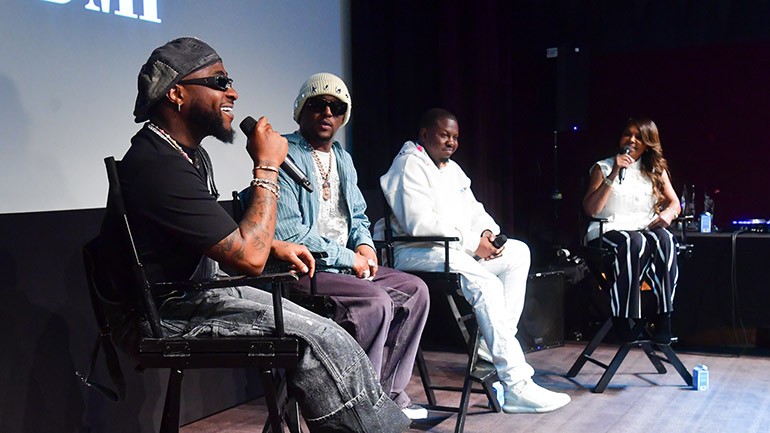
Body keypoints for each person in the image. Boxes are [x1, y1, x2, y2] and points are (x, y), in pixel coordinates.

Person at [119, 37, 409, 432]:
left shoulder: (185, 155)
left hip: (201, 290)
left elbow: (214, 236)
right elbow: (250, 260)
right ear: (176, 93)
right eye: (219, 81)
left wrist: (275, 244)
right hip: (171, 311)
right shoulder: (157, 165)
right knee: (322, 340)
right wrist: (268, 166)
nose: (233, 92)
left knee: (332, 335)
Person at [375, 108, 571, 414]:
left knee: (518, 253)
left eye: (455, 137)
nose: (451, 142)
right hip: (415, 252)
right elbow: (418, 224)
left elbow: (475, 208)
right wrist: (471, 243)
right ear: (425, 135)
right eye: (444, 135)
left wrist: (487, 233)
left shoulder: (450, 169)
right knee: (486, 283)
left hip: (451, 250)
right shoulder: (409, 164)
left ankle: (488, 347)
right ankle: (516, 384)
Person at [271, 72, 430, 419]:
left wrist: (366, 247)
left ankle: (384, 397)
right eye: (317, 105)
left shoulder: (342, 157)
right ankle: (359, 410)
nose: (327, 113)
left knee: (415, 290)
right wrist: (349, 258)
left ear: (344, 116)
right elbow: (290, 232)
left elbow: (358, 215)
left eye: (336, 106)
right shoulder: (284, 154)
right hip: (304, 269)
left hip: (345, 268)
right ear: (300, 111)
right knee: (375, 301)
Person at [582, 117, 681, 344]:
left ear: (648, 142)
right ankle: (623, 317)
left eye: (639, 137)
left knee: (665, 239)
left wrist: (667, 215)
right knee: (633, 242)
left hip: (643, 230)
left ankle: (663, 315)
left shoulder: (655, 169)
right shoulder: (604, 167)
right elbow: (591, 209)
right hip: (608, 229)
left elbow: (675, 204)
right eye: (628, 134)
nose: (632, 140)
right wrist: (614, 173)